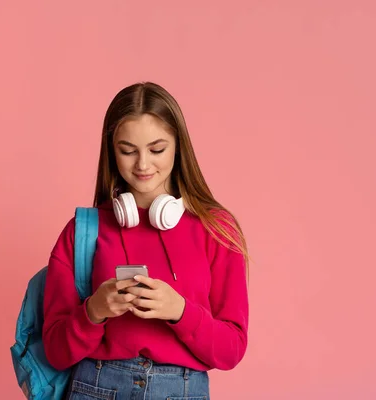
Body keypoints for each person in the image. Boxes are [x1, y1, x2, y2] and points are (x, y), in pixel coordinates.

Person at [42, 81, 249, 400]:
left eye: (156, 149)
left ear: (179, 146)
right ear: (112, 151)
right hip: (96, 385)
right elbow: (55, 351)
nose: (142, 165)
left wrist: (180, 311)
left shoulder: (216, 229)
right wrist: (94, 311)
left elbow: (231, 349)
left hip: (180, 388)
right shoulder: (84, 230)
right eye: (127, 150)